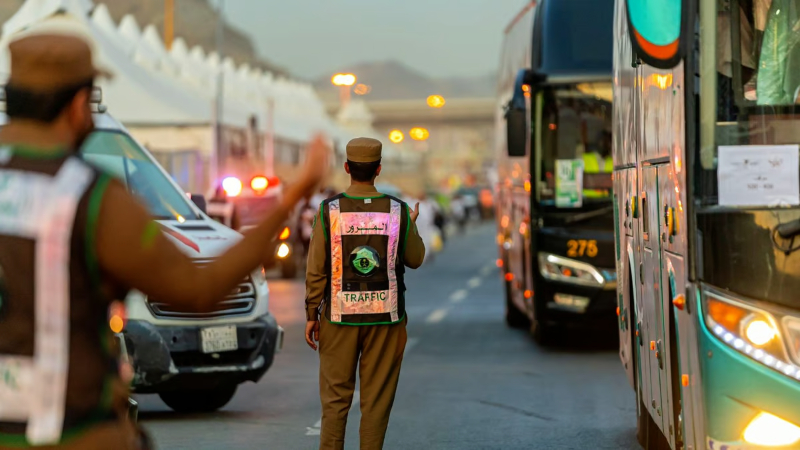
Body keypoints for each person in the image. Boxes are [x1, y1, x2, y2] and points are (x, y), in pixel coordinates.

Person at [0, 22, 328, 450]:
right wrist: (292, 197)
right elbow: (199, 289)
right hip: (72, 430)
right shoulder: (88, 197)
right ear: (79, 105)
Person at [304, 137, 425, 450]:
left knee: (335, 403)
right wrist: (410, 225)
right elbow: (415, 259)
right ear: (378, 169)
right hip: (386, 322)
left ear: (347, 168)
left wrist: (311, 314)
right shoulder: (397, 211)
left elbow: (316, 269)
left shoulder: (328, 210)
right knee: (376, 404)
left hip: (338, 318)